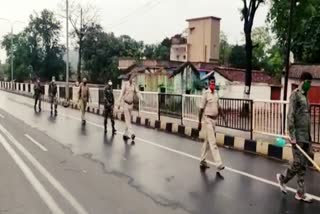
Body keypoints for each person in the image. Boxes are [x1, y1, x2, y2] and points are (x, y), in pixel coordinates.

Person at [277, 72, 313, 203]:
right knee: (297, 163)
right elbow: (290, 115)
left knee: (303, 166)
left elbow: (307, 119)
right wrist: (292, 135)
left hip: (305, 137)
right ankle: (282, 179)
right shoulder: (295, 95)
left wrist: (310, 138)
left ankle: (300, 193)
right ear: (302, 81)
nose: (310, 85)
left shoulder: (306, 97)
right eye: (308, 82)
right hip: (297, 137)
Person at [198, 73, 226, 174]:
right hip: (207, 120)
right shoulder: (206, 94)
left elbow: (219, 107)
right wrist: (199, 122)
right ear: (208, 84)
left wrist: (223, 117)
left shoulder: (216, 94)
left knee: (207, 141)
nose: (213, 84)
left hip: (214, 120)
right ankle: (219, 164)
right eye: (211, 82)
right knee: (213, 142)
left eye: (214, 82)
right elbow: (201, 109)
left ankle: (202, 160)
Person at [117, 76, 143, 141]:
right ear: (130, 78)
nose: (134, 80)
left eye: (134, 79)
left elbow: (137, 92)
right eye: (133, 78)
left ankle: (125, 134)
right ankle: (132, 134)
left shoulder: (134, 85)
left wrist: (141, 98)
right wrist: (118, 103)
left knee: (128, 120)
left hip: (131, 105)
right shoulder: (125, 84)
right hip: (125, 104)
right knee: (128, 119)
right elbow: (121, 93)